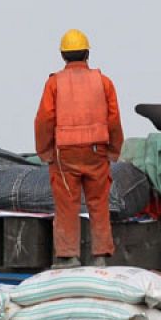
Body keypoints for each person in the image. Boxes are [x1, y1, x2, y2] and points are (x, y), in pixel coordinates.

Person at [34, 29, 124, 269]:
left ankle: (68, 257)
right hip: (96, 152)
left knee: (66, 204)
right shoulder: (103, 82)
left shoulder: (54, 83)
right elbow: (114, 119)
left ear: (63, 55)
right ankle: (100, 256)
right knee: (99, 203)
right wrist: (113, 150)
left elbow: (44, 119)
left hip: (65, 154)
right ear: (87, 54)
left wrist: (45, 151)